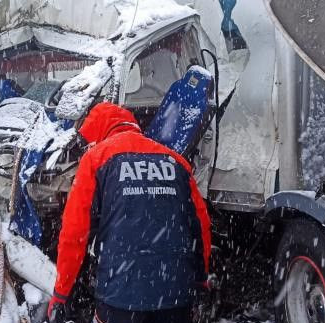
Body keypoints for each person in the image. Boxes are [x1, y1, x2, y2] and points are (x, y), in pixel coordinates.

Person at [47, 102, 211, 323]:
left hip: (120, 297)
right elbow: (200, 227)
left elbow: (74, 234)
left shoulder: (96, 159)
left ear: (98, 131)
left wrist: (61, 293)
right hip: (175, 295)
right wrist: (200, 280)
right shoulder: (175, 161)